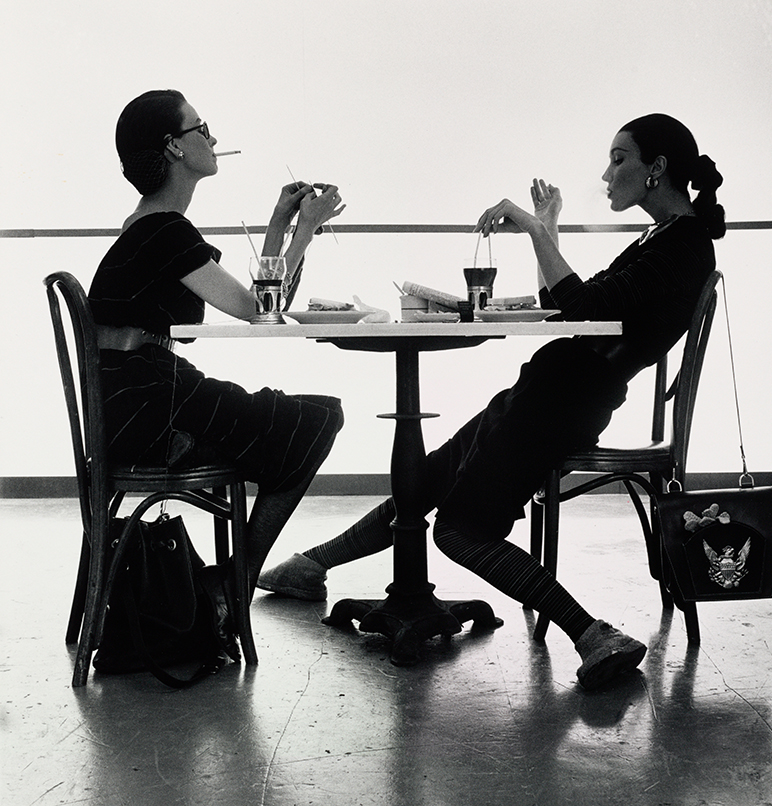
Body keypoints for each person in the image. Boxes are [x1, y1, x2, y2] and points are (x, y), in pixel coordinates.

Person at [257, 113, 726, 689]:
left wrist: (534, 227)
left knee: (456, 530)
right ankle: (313, 565)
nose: (606, 174)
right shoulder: (664, 240)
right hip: (548, 394)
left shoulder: (681, 247)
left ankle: (592, 634)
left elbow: (579, 307)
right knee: (424, 479)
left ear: (657, 169)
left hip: (563, 409)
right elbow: (582, 303)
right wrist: (548, 229)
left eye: (619, 159)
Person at [88, 89, 346, 660]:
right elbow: (260, 310)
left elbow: (261, 301)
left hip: (138, 400)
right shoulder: (164, 231)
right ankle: (238, 581)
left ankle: (232, 580)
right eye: (202, 127)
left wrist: (281, 223)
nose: (212, 138)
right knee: (319, 418)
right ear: (175, 148)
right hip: (153, 402)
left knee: (303, 420)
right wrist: (305, 229)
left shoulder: (151, 226)